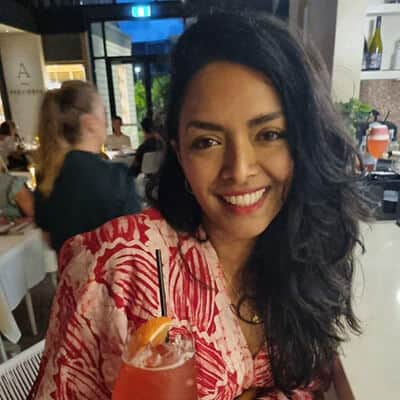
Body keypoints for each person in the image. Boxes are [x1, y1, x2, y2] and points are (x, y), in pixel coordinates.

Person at [29, 13, 370, 400]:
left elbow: (307, 383)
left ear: (304, 142)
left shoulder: (306, 244)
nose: (239, 170)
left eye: (269, 134)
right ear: (178, 151)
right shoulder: (114, 265)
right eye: (207, 141)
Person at [34, 80, 141, 252]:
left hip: (68, 276)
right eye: (103, 113)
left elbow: (49, 239)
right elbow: (135, 244)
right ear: (89, 122)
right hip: (111, 278)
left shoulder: (46, 177)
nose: (106, 123)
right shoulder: (116, 178)